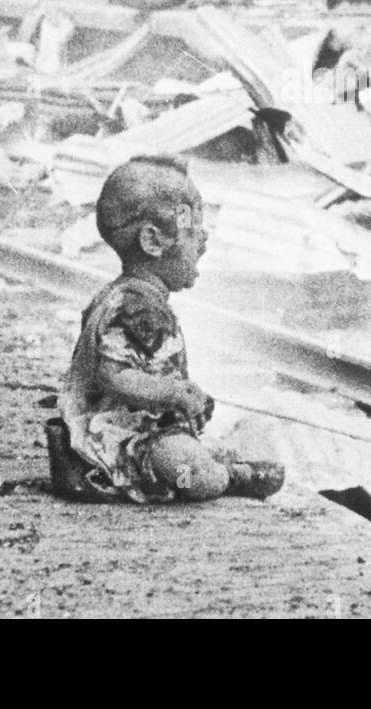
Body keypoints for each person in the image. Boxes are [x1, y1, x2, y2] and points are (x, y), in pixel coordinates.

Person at [46, 154, 284, 503]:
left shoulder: (128, 298)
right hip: (112, 438)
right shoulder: (135, 307)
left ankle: (206, 464)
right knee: (190, 471)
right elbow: (114, 376)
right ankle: (229, 477)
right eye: (192, 229)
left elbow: (148, 368)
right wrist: (172, 395)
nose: (204, 239)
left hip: (132, 427)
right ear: (153, 241)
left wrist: (183, 399)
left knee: (188, 452)